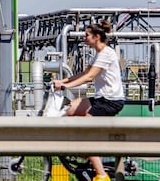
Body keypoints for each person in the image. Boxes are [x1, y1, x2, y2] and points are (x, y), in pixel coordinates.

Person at [53, 20, 125, 181]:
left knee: (85, 131)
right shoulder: (98, 54)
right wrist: (63, 81)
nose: (84, 38)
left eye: (87, 35)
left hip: (110, 102)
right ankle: (86, 153)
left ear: (97, 37)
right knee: (69, 109)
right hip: (101, 99)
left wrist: (66, 87)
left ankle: (101, 175)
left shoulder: (107, 54)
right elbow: (84, 72)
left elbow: (89, 77)